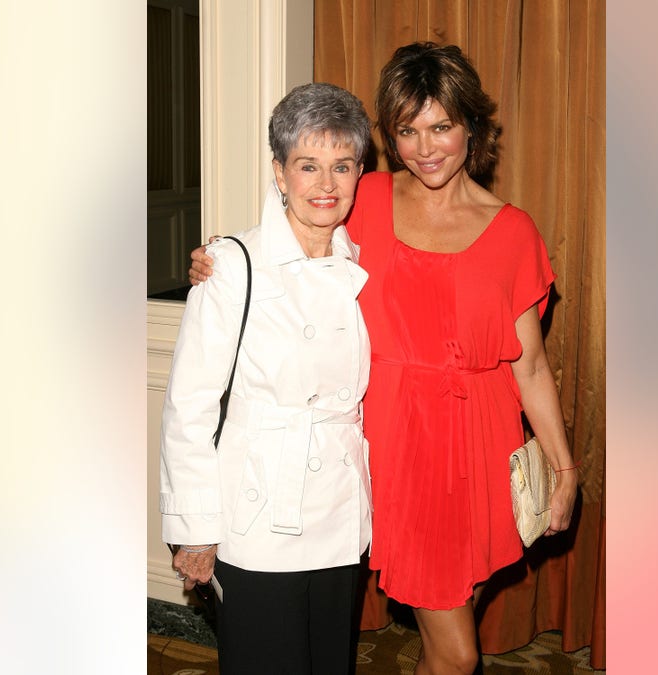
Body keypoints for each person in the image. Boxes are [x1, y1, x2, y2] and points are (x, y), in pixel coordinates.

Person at [190, 43, 579, 675]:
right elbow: (292, 237)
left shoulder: (513, 232)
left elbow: (529, 365)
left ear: (471, 127)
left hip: (480, 443)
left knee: (447, 634)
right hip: (398, 444)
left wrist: (563, 470)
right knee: (458, 655)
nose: (425, 148)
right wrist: (221, 254)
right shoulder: (364, 197)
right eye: (406, 131)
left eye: (441, 127)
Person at [159, 82, 373, 675]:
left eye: (342, 166)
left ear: (359, 174)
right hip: (257, 518)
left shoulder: (363, 263)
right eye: (308, 166)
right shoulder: (232, 265)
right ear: (279, 172)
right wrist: (194, 530)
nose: (326, 185)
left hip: (338, 512)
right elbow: (191, 405)